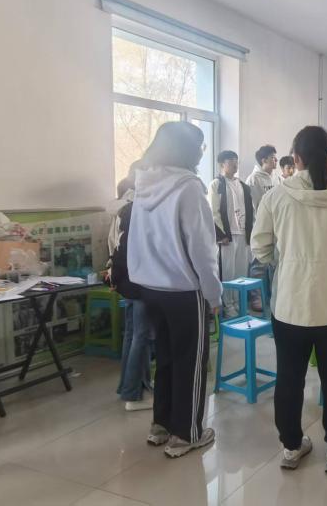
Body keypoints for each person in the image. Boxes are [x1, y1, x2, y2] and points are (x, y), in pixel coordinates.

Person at [251, 126, 327, 474]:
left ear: (296, 158)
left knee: (289, 377)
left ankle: (291, 445)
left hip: (289, 306)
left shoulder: (276, 196)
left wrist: (284, 264)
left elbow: (259, 247)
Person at [128, 121, 222, 458]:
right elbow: (202, 249)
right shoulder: (189, 188)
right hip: (183, 290)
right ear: (188, 150)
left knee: (166, 357)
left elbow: (137, 238)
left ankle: (162, 424)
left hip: (150, 287)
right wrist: (213, 294)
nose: (201, 153)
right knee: (191, 361)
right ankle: (187, 433)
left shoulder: (143, 182)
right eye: (200, 147)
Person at [108, 161, 153, 412]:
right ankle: (134, 395)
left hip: (125, 279)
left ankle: (128, 386)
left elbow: (113, 246)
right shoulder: (139, 208)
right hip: (139, 279)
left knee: (132, 333)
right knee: (141, 336)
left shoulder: (125, 206)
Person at [207, 150, 254, 319]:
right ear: (222, 164)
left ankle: (240, 305)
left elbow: (251, 211)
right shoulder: (216, 184)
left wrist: (250, 233)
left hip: (243, 234)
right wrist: (221, 235)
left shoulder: (243, 185)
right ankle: (229, 306)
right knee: (227, 273)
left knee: (241, 273)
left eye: (236, 160)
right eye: (231, 160)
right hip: (227, 237)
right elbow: (213, 211)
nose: (235, 163)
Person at [246, 144, 278, 311]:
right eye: (273, 158)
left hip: (277, 227)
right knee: (258, 264)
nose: (276, 161)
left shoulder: (276, 178)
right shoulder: (254, 180)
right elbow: (256, 207)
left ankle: (274, 296)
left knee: (274, 264)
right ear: (263, 160)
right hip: (261, 226)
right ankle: (256, 298)